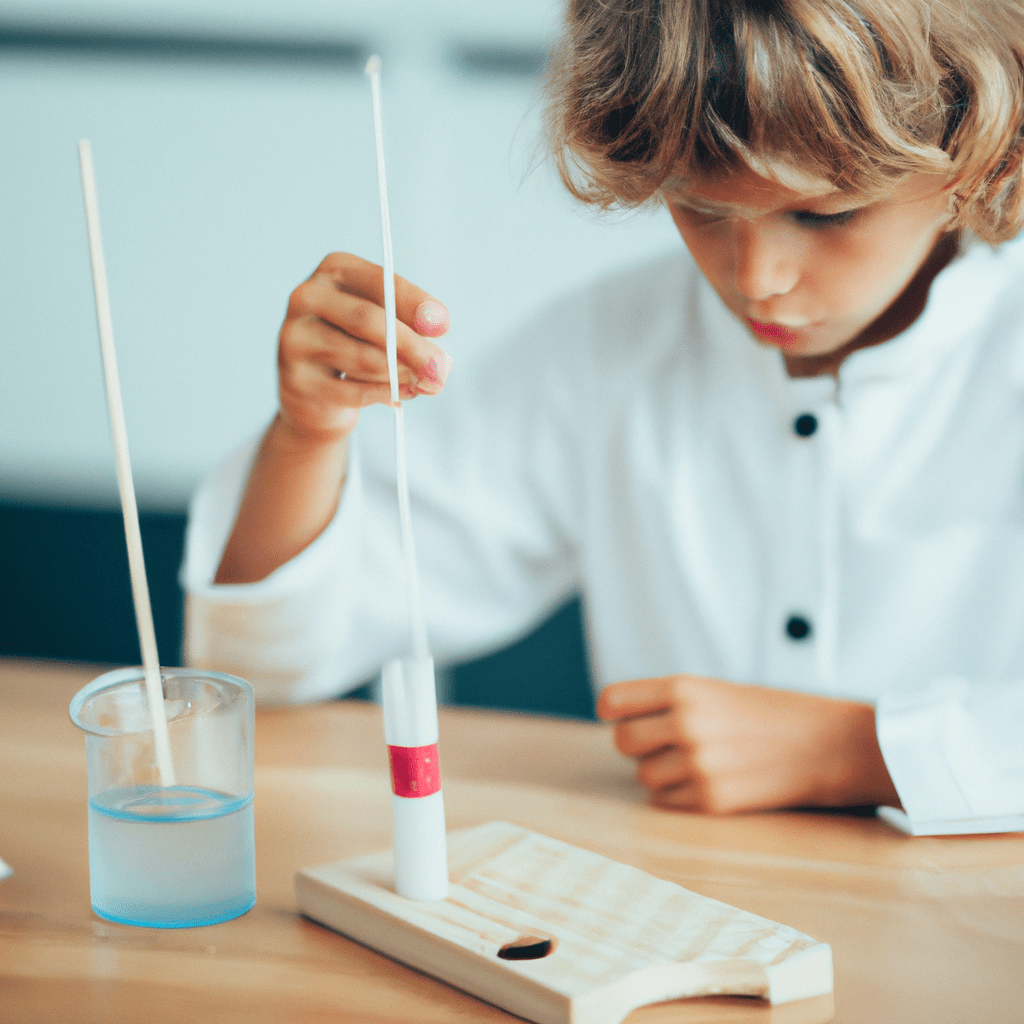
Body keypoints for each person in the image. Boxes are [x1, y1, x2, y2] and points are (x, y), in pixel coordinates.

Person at [183, 0, 1024, 825]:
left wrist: (853, 752)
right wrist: (311, 433)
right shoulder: (606, 348)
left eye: (823, 215)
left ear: (978, 151)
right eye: (702, 208)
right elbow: (266, 669)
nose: (755, 277)